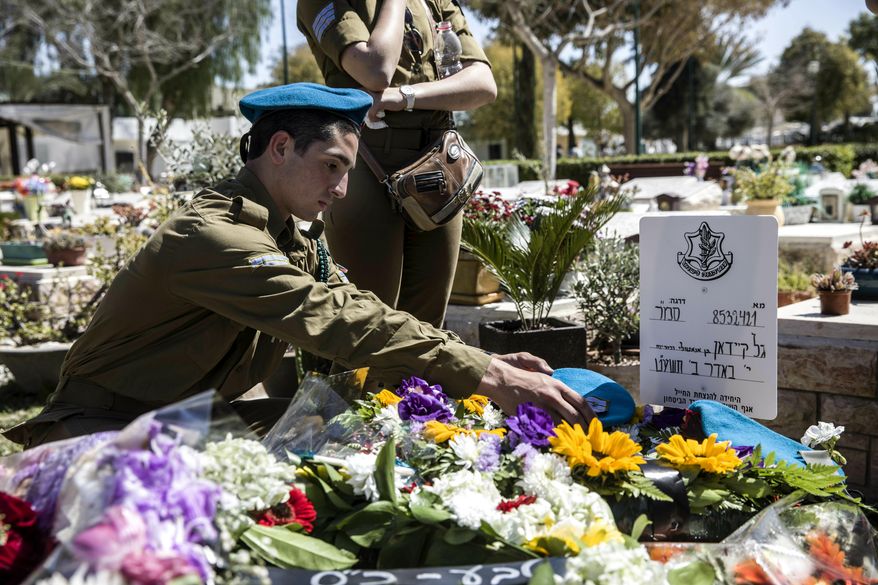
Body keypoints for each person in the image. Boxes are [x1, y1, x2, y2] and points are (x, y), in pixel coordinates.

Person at [5, 83, 593, 448]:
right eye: (333, 167)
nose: (341, 190)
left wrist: (479, 361)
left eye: (348, 173)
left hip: (182, 420)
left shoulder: (289, 235)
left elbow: (361, 310)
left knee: (361, 438)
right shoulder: (214, 235)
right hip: (103, 433)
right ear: (281, 147)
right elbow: (331, 318)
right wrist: (488, 375)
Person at [296, 0, 496, 328]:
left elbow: (483, 85)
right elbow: (376, 69)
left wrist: (405, 96)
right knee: (366, 321)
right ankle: (344, 383)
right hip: (365, 164)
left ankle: (411, 383)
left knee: (426, 325)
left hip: (437, 165)